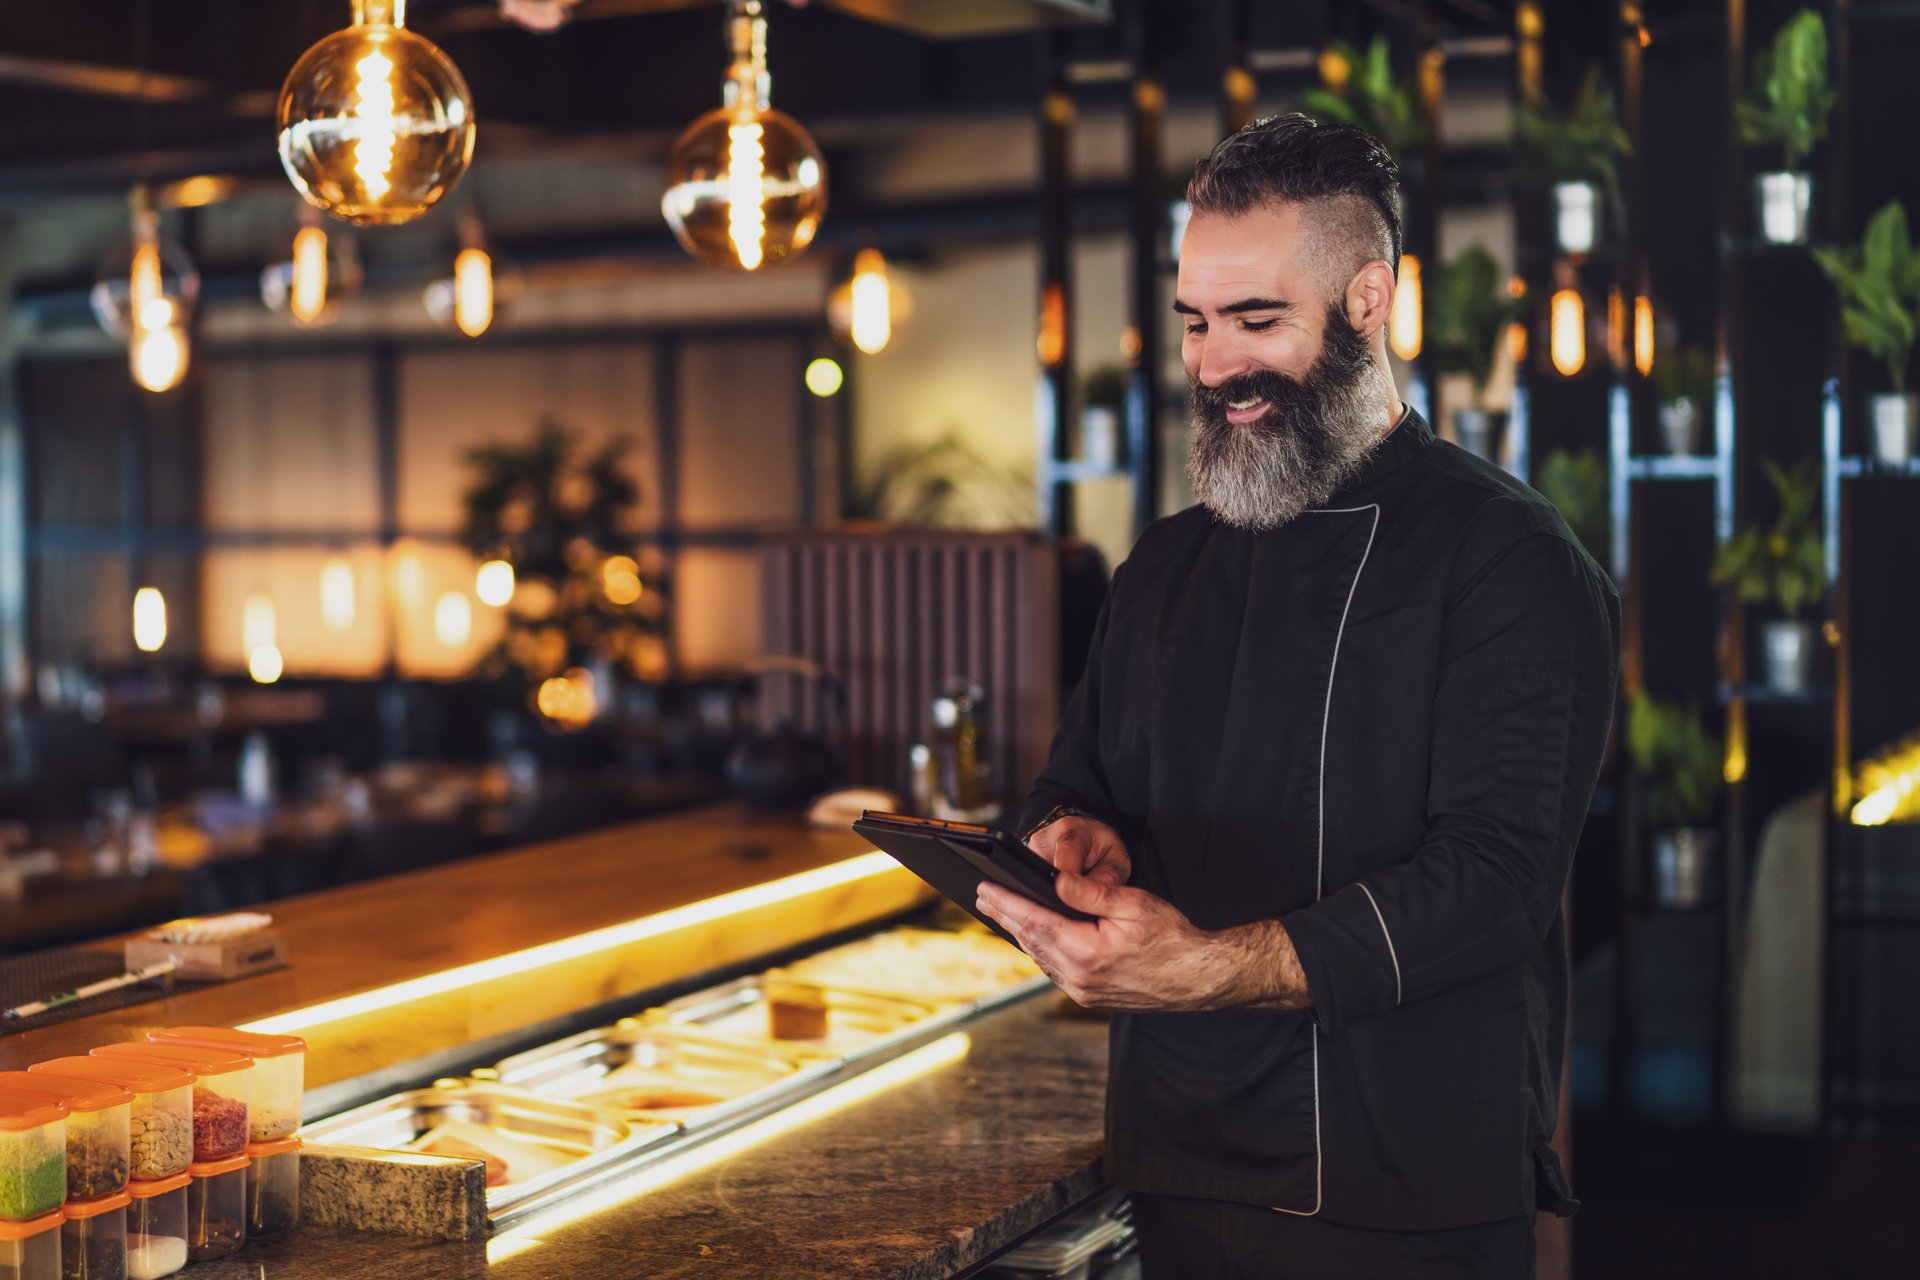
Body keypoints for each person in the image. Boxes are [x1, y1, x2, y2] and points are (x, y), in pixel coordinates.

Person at [974, 114, 1620, 1279]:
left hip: (1400, 1181)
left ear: (1368, 298)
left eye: (1256, 320)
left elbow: (1492, 882)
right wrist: (1066, 837)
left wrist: (1210, 965)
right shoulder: (1165, 562)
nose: (1216, 365)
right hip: (1177, 1153)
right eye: (1197, 323)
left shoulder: (1506, 556)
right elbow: (1073, 779)